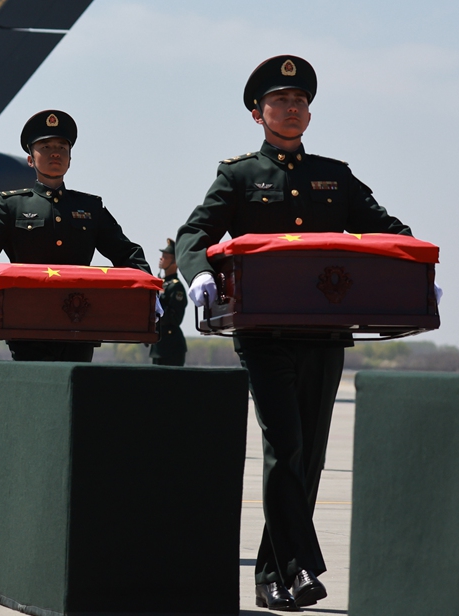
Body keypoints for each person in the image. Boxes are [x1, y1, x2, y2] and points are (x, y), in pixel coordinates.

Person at [175, 55, 433, 611]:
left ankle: (273, 576)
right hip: (263, 334)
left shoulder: (335, 176)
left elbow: (389, 229)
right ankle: (297, 568)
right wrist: (197, 274)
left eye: (301, 103)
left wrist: (416, 275)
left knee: (308, 456)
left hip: (325, 332)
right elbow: (195, 231)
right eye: (281, 102)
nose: (293, 110)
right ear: (257, 113)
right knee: (285, 444)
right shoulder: (239, 175)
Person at [0, 109, 153, 362]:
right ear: (30, 159)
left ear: (70, 159)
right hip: (27, 319)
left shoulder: (90, 207)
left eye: (62, 147)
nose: (55, 153)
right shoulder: (13, 206)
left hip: (82, 318)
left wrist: (149, 292)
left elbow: (126, 253)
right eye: (46, 146)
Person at [150, 238, 187, 366]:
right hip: (159, 345)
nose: (162, 259)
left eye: (166, 257)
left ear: (175, 262)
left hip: (171, 347)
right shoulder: (162, 284)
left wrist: (158, 302)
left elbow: (175, 318)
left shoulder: (176, 288)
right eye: (162, 256)